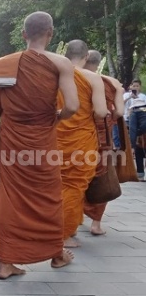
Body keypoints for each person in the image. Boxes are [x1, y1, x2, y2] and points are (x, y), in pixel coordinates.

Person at [0, 11, 79, 279]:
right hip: (42, 139)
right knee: (48, 197)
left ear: (23, 34)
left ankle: (6, 263)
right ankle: (56, 253)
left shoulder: (1, 65)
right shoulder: (61, 63)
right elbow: (72, 106)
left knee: (10, 199)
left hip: (12, 140)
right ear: (50, 33)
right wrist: (56, 117)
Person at [58, 39, 108, 248]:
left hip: (55, 137)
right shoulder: (92, 78)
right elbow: (101, 112)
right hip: (81, 139)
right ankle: (64, 234)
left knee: (57, 184)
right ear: (86, 57)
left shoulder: (54, 74)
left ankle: (61, 225)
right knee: (75, 185)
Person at [82, 50, 124, 236]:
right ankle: (96, 224)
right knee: (101, 176)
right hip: (103, 136)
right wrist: (111, 120)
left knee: (76, 176)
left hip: (78, 134)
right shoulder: (110, 82)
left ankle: (72, 221)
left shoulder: (75, 79)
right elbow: (120, 113)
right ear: (99, 63)